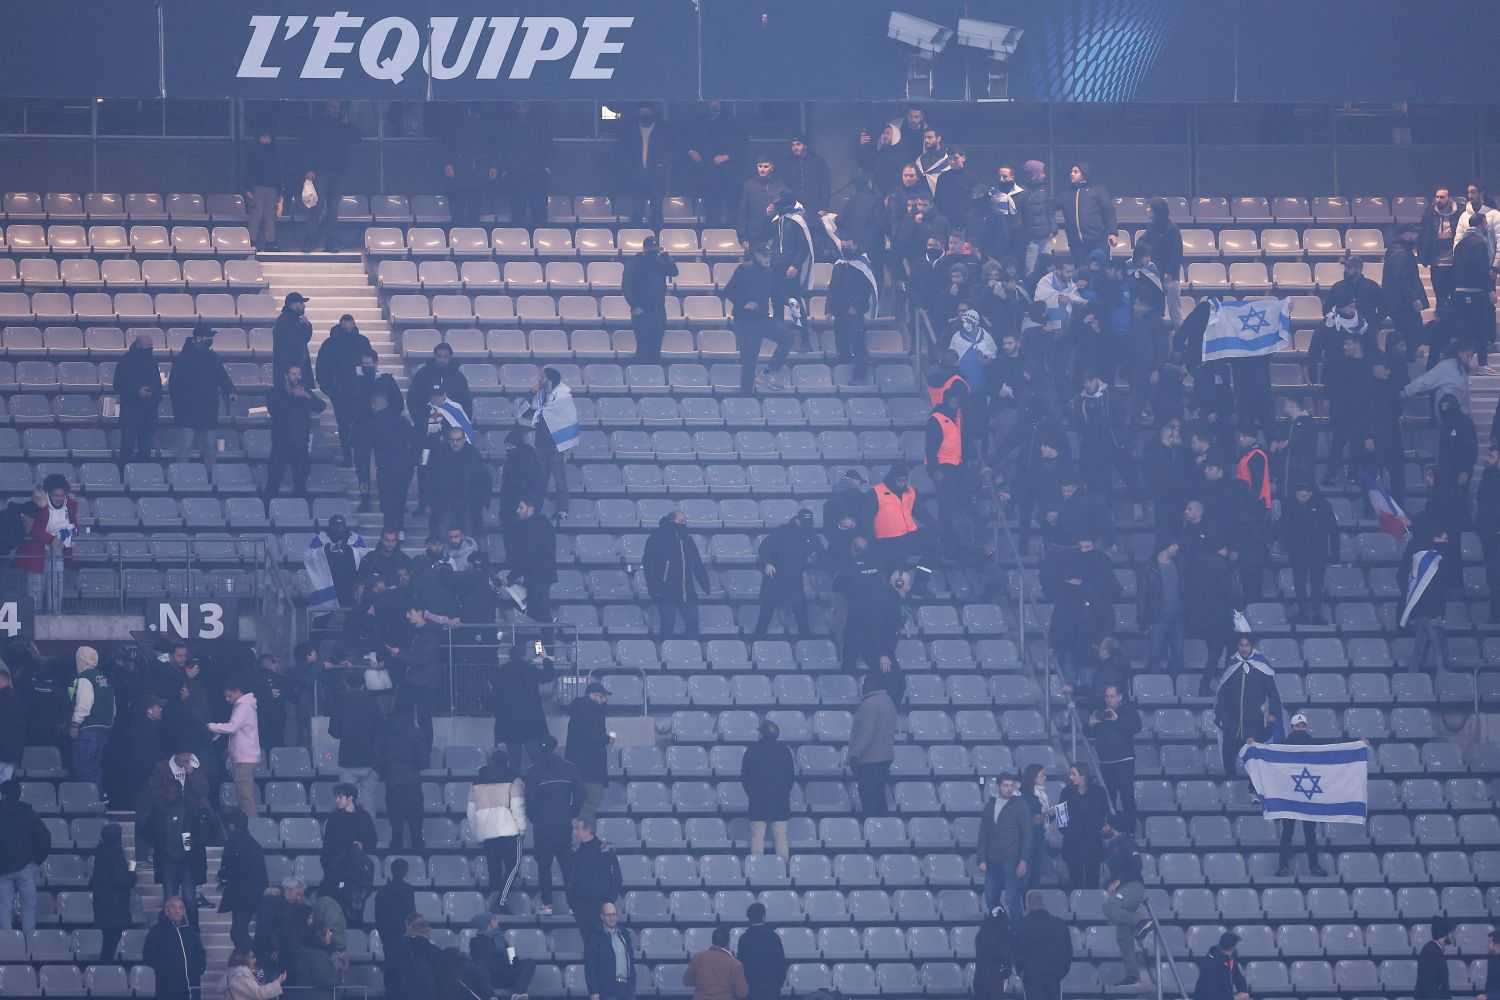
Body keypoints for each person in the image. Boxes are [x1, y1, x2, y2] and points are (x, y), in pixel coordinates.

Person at [138, 748, 216, 926]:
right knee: (169, 899)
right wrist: (156, 848)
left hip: (186, 862)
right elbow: (150, 832)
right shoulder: (159, 812)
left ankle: (193, 929)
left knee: (189, 899)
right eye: (169, 791)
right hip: (167, 861)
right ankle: (169, 930)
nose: (171, 793)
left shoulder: (190, 811)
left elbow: (194, 834)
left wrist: (187, 849)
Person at [525, 736, 584, 917]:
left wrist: (535, 818)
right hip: (563, 824)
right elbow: (581, 793)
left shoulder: (533, 771)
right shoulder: (569, 768)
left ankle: (548, 904)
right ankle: (573, 905)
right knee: (567, 866)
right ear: (556, 747)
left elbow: (530, 801)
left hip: (543, 827)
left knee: (544, 867)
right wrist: (572, 812)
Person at [168, 324, 236, 472]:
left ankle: (211, 480)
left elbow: (223, 377)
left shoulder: (213, 358)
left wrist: (230, 391)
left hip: (208, 409)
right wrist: (179, 409)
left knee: (209, 448)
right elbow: (174, 387)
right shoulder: (183, 359)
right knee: (185, 446)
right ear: (198, 338)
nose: (210, 339)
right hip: (188, 411)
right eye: (208, 336)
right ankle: (180, 478)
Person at [1215, 636, 1283, 783]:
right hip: (1232, 720)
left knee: (1254, 757)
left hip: (1254, 721)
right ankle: (1230, 783)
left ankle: (1255, 789)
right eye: (1241, 645)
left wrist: (1272, 714)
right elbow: (1222, 693)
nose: (1244, 648)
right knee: (1228, 751)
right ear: (1238, 647)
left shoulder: (1261, 667)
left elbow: (1273, 695)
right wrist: (1219, 713)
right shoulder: (1231, 665)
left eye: (1247, 645)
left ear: (1251, 647)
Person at [468, 750, 527, 911]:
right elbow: (518, 804)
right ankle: (501, 900)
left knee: (494, 868)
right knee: (513, 866)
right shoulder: (514, 777)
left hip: (488, 829)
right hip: (509, 829)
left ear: (492, 761)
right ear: (507, 761)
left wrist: (476, 832)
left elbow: (472, 808)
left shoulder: (479, 778)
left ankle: (497, 897)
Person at [314, 314, 374, 464]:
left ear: (354, 324)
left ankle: (356, 454)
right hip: (339, 391)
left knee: (358, 423)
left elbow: (369, 363)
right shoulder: (330, 343)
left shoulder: (362, 341)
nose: (348, 326)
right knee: (343, 423)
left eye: (350, 323)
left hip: (359, 389)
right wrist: (328, 387)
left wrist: (368, 383)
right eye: (345, 323)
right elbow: (322, 367)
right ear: (340, 324)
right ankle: (348, 455)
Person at [1278, 483, 1340, 625]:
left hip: (1318, 553)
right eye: (1299, 492)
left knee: (1317, 584)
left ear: (1311, 493)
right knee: (1299, 583)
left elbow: (1334, 530)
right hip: (1298, 553)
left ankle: (1317, 614)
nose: (1302, 495)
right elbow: (1283, 527)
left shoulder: (1324, 505)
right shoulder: (1290, 506)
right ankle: (1302, 613)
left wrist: (1336, 553)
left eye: (1305, 492)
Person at [753, 510, 823, 635]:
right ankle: (756, 644)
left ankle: (805, 643)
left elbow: (819, 551)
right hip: (775, 577)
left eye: (808, 522)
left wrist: (815, 556)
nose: (807, 525)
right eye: (804, 522)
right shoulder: (782, 531)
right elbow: (764, 547)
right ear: (797, 520)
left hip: (794, 579)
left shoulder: (811, 534)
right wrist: (767, 563)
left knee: (801, 614)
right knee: (765, 615)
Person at [264, 363, 327, 502]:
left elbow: (321, 406)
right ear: (286, 376)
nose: (297, 377)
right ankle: (268, 509)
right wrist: (292, 396)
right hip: (281, 442)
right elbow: (274, 410)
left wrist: (307, 396)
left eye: (299, 374)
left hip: (300, 441)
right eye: (294, 374)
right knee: (274, 480)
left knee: (301, 482)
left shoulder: (305, 391)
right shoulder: (275, 392)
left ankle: (300, 508)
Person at [643, 511, 711, 637]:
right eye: (681, 521)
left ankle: (690, 652)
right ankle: (666, 653)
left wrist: (704, 583)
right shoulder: (656, 538)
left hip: (687, 589)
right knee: (668, 625)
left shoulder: (687, 539)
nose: (684, 524)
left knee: (693, 624)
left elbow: (697, 563)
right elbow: (648, 565)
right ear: (671, 521)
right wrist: (653, 587)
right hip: (665, 590)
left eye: (685, 521)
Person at [301, 100, 357, 252]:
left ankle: (329, 242)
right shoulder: (318, 124)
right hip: (321, 172)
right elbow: (309, 147)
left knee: (333, 211)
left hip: (338, 172)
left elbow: (357, 139)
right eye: (332, 107)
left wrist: (347, 123)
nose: (335, 110)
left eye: (337, 108)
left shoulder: (343, 125)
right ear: (326, 108)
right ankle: (309, 241)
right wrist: (310, 169)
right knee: (316, 208)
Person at [320, 783, 377, 926]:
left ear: (350, 798)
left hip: (357, 872)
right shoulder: (333, 818)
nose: (337, 800)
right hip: (338, 870)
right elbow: (328, 846)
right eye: (336, 797)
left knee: (355, 910)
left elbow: (372, 840)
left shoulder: (364, 817)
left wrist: (362, 845)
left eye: (340, 797)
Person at [526, 367, 579, 519]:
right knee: (540, 478)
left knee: (559, 479)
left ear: (548, 379)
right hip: (541, 443)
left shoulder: (563, 396)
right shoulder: (540, 395)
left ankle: (563, 509)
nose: (539, 380)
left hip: (556, 444)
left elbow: (568, 417)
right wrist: (531, 392)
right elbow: (525, 407)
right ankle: (537, 507)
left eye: (541, 377)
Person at [19, 474, 76, 614]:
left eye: (62, 495)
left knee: (56, 587)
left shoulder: (72, 506)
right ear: (48, 494)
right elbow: (33, 530)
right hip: (36, 552)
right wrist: (52, 539)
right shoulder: (37, 506)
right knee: (35, 589)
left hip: (57, 551)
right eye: (55, 495)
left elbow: (74, 527)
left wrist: (60, 538)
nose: (59, 498)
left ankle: (55, 615)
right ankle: (33, 617)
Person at [977, 772, 1031, 919]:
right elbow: (983, 834)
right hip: (992, 860)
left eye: (1011, 786)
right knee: (990, 898)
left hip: (1012, 861)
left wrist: (1023, 860)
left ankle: (1017, 933)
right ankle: (1001, 927)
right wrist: (981, 859)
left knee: (1012, 899)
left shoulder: (1020, 805)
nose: (1009, 789)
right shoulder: (990, 805)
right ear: (998, 786)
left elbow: (1027, 834)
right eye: (1005, 786)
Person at [683, 100, 745, 227]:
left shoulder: (731, 121)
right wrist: (691, 151)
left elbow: (742, 145)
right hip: (707, 173)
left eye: (717, 101)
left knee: (731, 208)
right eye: (711, 101)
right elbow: (686, 140)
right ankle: (712, 236)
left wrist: (726, 156)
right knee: (711, 209)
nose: (714, 104)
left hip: (728, 174)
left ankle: (732, 236)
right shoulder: (700, 121)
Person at [1089, 685, 1141, 832]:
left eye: (1112, 696)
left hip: (1124, 761)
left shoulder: (1128, 710)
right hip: (1106, 763)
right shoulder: (1101, 713)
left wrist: (1117, 720)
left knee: (1127, 798)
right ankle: (1111, 831)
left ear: (1120, 697)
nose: (1109, 699)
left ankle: (1130, 832)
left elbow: (1137, 727)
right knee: (1108, 800)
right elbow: (1091, 734)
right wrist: (1091, 724)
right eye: (1107, 696)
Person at [208, 675, 262, 819]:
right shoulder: (244, 705)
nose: (227, 699)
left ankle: (252, 828)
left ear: (238, 691)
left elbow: (233, 727)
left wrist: (212, 726)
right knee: (243, 796)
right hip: (244, 757)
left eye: (229, 695)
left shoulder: (243, 706)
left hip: (244, 758)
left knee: (245, 798)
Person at [741, 719, 795, 862]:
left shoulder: (752, 750)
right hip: (780, 799)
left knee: (757, 836)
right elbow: (791, 778)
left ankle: (756, 869)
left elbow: (744, 777)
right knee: (781, 836)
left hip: (757, 799)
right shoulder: (785, 751)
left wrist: (752, 794)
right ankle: (784, 869)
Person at [0, 779, 49, 934]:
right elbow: (44, 837)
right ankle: (29, 944)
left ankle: (8, 945)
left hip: (2, 869)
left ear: (3, 794)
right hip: (26, 867)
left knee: (4, 907)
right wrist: (37, 860)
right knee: (29, 906)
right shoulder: (29, 813)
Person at [828, 239, 880, 383]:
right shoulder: (839, 264)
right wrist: (829, 308)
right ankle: (843, 361)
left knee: (857, 343)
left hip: (854, 311)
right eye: (843, 242)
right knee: (840, 337)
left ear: (856, 244)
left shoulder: (862, 265)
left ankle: (859, 374)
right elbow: (832, 287)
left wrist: (856, 307)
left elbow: (864, 290)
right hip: (839, 310)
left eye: (849, 242)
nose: (845, 245)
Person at [429, 423, 491, 540]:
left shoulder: (473, 454)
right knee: (442, 536)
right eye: (452, 440)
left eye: (458, 440)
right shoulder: (439, 453)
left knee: (468, 537)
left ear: (464, 439)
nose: (455, 443)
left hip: (467, 503)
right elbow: (430, 479)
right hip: (445, 503)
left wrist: (483, 500)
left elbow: (484, 478)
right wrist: (430, 501)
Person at [328, 671, 381, 808]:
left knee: (346, 803)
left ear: (347, 685)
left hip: (348, 759)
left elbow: (334, 732)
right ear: (364, 685)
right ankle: (368, 829)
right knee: (369, 801)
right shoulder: (373, 702)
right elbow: (381, 730)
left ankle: (349, 829)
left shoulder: (340, 701)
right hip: (370, 759)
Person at [623, 235, 679, 362]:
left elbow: (674, 272)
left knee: (656, 346)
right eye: (650, 248)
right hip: (641, 310)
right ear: (644, 248)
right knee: (643, 346)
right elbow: (626, 286)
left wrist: (666, 257)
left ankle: (653, 375)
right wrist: (634, 306)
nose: (652, 251)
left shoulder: (660, 262)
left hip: (658, 310)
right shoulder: (635, 262)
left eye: (655, 249)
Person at [848, 673, 897, 817]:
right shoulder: (888, 702)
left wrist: (855, 754)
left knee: (869, 798)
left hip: (869, 759)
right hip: (884, 758)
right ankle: (884, 830)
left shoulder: (869, 704)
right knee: (879, 797)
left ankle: (872, 826)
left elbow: (866, 733)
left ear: (874, 684)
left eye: (866, 683)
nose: (863, 686)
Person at [379, 705, 427, 852]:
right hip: (412, 782)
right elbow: (424, 760)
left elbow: (380, 758)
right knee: (416, 829)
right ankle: (418, 860)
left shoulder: (386, 735)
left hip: (393, 783)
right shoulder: (416, 733)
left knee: (396, 830)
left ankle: (395, 861)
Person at [1103, 830, 1147, 987]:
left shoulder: (1126, 841)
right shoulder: (1110, 846)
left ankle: (1140, 921)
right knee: (1123, 937)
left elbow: (1137, 865)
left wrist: (1118, 881)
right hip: (1122, 890)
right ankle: (1132, 975)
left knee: (1109, 907)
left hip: (1133, 887)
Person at [219, 809, 268, 951]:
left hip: (241, 895)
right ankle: (246, 959)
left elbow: (228, 868)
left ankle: (254, 959)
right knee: (239, 931)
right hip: (250, 895)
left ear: (232, 825)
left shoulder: (233, 842)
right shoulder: (254, 844)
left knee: (238, 932)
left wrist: (223, 876)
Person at [504, 497, 558, 623]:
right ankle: (541, 643)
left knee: (540, 615)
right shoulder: (543, 524)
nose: (518, 511)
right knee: (538, 614)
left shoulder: (532, 527)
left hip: (538, 577)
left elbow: (527, 557)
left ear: (531, 509)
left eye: (521, 507)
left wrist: (511, 577)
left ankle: (542, 643)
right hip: (541, 576)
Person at [66, 645, 113, 791]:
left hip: (88, 731)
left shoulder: (85, 678)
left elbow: (84, 704)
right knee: (95, 769)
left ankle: (86, 804)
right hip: (104, 730)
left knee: (83, 768)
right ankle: (96, 801)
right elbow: (112, 704)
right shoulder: (103, 678)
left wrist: (75, 724)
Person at [568, 817, 623, 938]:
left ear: (588, 830)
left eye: (578, 828)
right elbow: (572, 881)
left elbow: (617, 877)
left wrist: (609, 901)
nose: (575, 832)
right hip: (582, 909)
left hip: (601, 907)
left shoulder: (605, 849)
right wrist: (573, 904)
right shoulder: (575, 852)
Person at [144, 896, 206, 1000]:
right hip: (166, 987)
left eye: (181, 908)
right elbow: (148, 956)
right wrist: (165, 971)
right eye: (173, 907)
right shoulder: (156, 931)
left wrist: (199, 969)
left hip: (191, 985)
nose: (177, 911)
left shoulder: (190, 931)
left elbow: (200, 953)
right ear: (166, 910)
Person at [1058, 763, 1109, 890]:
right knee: (1075, 882)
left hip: (1093, 845)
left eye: (1073, 774)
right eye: (1070, 774)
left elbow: (1104, 815)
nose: (1070, 777)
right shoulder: (1065, 793)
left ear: (1083, 775)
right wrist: (1071, 832)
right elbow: (1061, 821)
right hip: (1072, 845)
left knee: (1093, 881)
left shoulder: (1099, 792)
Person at [618, 103, 669, 228]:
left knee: (657, 211)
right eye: (642, 111)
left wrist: (662, 169)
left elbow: (668, 154)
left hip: (657, 177)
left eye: (648, 111)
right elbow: (624, 154)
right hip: (636, 176)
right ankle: (636, 238)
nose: (645, 114)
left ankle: (657, 239)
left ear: (653, 113)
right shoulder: (630, 132)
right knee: (637, 211)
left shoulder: (662, 132)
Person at [1016, 891, 1073, 1000]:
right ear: (1043, 904)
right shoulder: (1060, 924)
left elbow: (1016, 953)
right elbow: (1068, 953)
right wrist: (1059, 973)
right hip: (1053, 976)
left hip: (1031, 978)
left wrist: (1022, 973)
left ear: (1027, 905)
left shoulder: (1021, 926)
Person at [114, 335, 163, 461]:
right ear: (138, 346)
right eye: (147, 348)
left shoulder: (152, 362)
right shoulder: (125, 361)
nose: (149, 351)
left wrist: (153, 393)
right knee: (128, 446)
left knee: (145, 448)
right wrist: (137, 391)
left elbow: (157, 384)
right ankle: (124, 473)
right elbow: (118, 385)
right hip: (131, 411)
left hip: (149, 411)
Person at [567, 683, 611, 822]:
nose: (605, 701)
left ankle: (579, 838)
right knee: (590, 805)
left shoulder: (578, 710)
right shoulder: (593, 711)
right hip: (591, 768)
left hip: (576, 767)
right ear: (594, 695)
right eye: (602, 697)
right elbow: (593, 739)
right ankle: (583, 839)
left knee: (579, 806)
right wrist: (607, 738)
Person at [1060, 161, 1117, 266]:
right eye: (1071, 171)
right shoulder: (1066, 194)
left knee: (1098, 271)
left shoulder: (1098, 190)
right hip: (1076, 244)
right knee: (1081, 274)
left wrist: (1113, 232)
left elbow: (1109, 211)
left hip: (1097, 241)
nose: (1071, 174)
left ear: (1084, 174)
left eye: (1076, 171)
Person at [1420, 186, 1462, 313]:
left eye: (1442, 197)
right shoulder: (1430, 213)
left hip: (1454, 259)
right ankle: (1440, 315)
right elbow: (1423, 234)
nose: (1438, 199)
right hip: (1436, 259)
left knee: (1452, 291)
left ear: (1449, 198)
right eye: (1437, 197)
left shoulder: (1459, 213)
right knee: (1439, 291)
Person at [585, 901, 637, 999]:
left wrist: (633, 986)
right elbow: (590, 967)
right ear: (602, 916)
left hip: (627, 989)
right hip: (607, 990)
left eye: (614, 914)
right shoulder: (595, 937)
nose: (612, 918)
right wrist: (593, 991)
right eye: (608, 915)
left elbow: (630, 960)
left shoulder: (624, 934)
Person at [685, 924, 749, 1000]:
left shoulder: (698, 958)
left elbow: (687, 981)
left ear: (713, 941)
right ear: (728, 942)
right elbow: (742, 993)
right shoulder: (735, 963)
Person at [737, 902, 786, 1000]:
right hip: (771, 986)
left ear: (749, 918)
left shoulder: (744, 939)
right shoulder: (774, 937)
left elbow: (741, 964)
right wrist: (778, 983)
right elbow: (781, 962)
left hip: (751, 987)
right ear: (764, 916)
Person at [737, 157, 789, 245]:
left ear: (772, 168)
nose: (762, 170)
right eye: (760, 166)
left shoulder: (779, 184)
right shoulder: (749, 185)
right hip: (754, 234)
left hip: (774, 233)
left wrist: (776, 205)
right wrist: (743, 237)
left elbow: (789, 202)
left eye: (766, 167)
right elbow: (743, 212)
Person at [245, 131, 282, 250]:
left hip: (272, 188)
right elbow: (247, 171)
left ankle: (270, 242)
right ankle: (251, 242)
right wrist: (247, 188)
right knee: (256, 215)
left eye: (268, 137)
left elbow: (280, 173)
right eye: (263, 137)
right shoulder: (253, 152)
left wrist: (280, 192)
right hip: (257, 187)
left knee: (270, 216)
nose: (266, 139)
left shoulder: (276, 153)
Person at [272, 291, 315, 389]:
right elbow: (294, 347)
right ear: (293, 304)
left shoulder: (290, 319)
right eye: (301, 303)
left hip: (294, 372)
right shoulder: (286, 321)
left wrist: (307, 325)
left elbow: (303, 339)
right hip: (293, 373)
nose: (304, 306)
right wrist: (294, 372)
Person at [781, 134, 831, 219]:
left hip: (814, 207)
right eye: (793, 145)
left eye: (798, 144)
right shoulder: (788, 164)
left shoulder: (818, 162)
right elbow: (785, 185)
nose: (795, 147)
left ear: (805, 146)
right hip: (794, 207)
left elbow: (825, 185)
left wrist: (824, 207)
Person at [289, 920, 339, 1000]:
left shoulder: (304, 951)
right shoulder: (319, 956)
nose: (331, 933)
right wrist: (339, 976)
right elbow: (323, 980)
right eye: (328, 931)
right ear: (320, 934)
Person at [973, 905, 1015, 1000]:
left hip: (980, 977)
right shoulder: (1004, 936)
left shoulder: (981, 934)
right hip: (995, 978)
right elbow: (1005, 957)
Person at [1192, 932, 1248, 1000]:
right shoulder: (1210, 963)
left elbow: (1238, 977)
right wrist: (1234, 998)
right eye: (1235, 947)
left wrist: (1243, 991)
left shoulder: (1230, 958)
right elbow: (1210, 994)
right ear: (1232, 948)